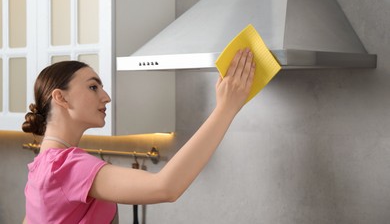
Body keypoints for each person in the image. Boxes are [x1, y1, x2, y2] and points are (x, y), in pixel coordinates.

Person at [22, 48, 255, 223]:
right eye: (93, 87)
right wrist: (226, 108)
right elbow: (166, 187)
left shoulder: (40, 166)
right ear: (61, 98)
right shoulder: (68, 166)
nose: (106, 97)